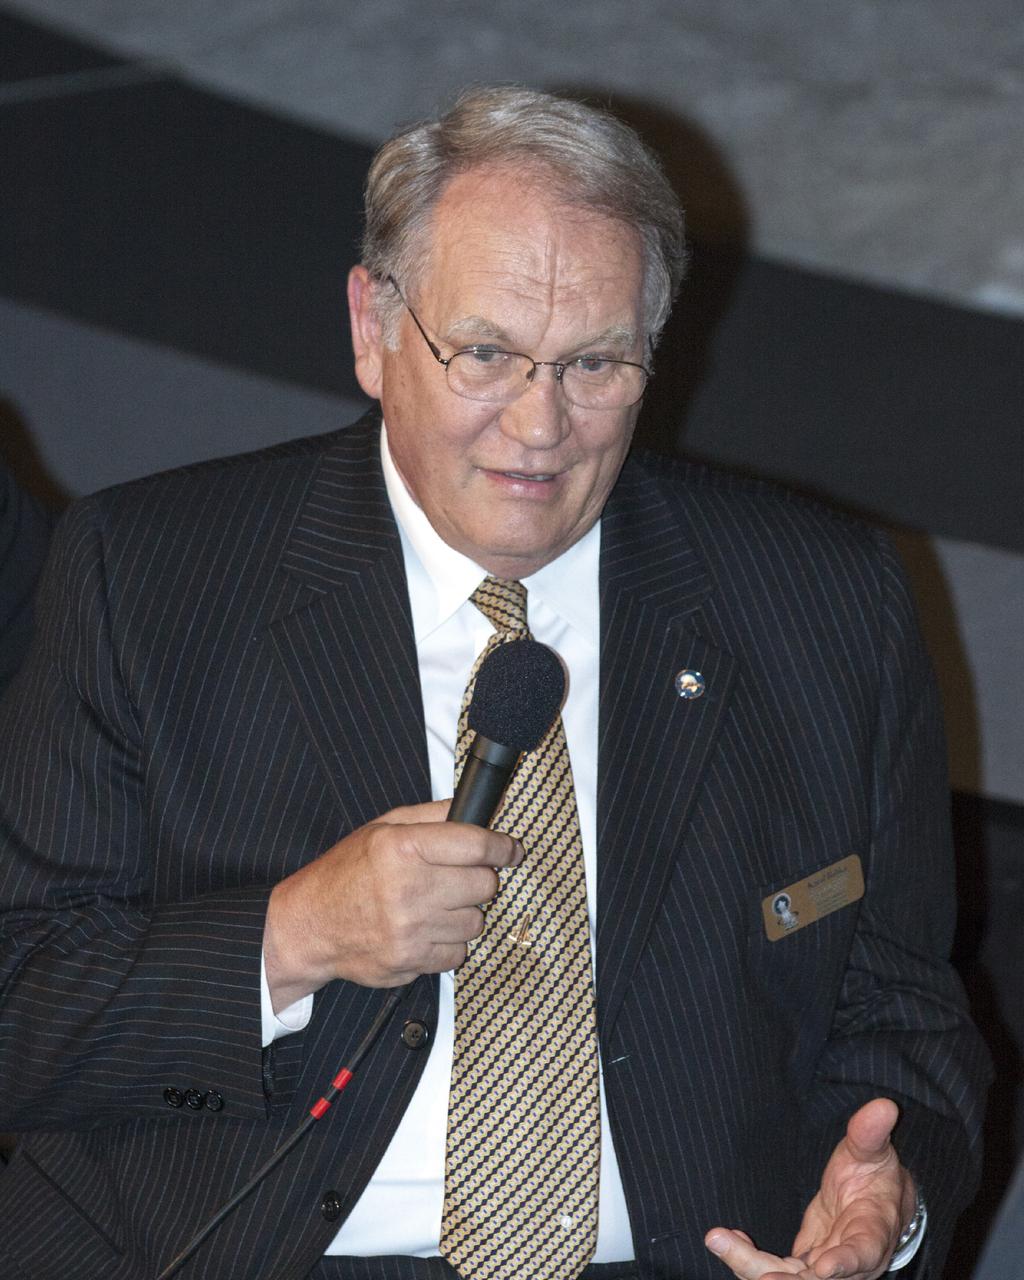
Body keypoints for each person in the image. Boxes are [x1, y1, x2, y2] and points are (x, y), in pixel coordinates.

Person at [0, 87, 989, 1280]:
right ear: (372, 328)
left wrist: (887, 1205)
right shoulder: (149, 576)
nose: (541, 424)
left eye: (595, 363)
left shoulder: (822, 602)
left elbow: (905, 1020)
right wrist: (293, 934)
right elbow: (23, 1001)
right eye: (485, 353)